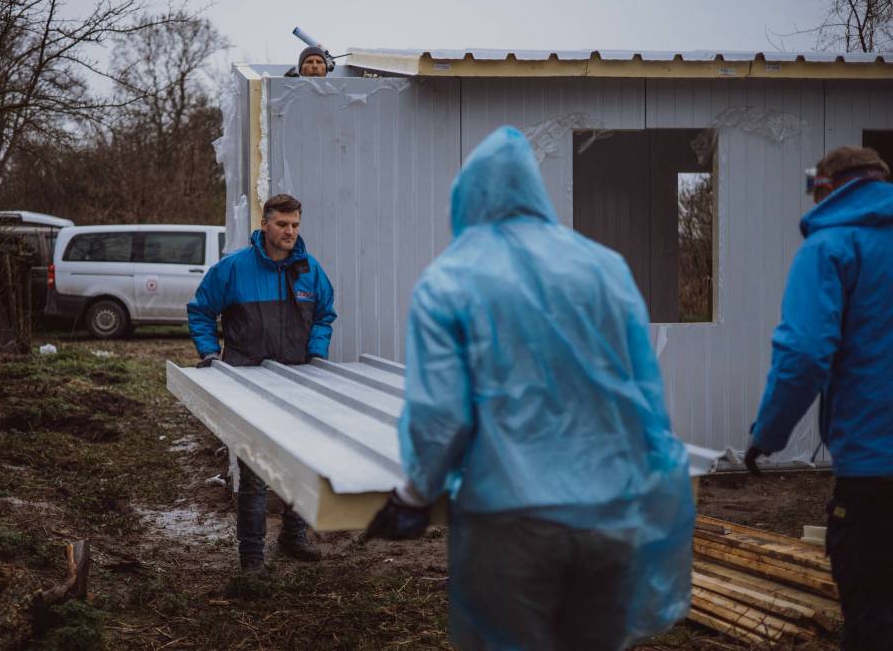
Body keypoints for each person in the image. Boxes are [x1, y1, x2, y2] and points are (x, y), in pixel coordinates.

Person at [365, 126, 694, 650]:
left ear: (469, 198)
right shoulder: (606, 269)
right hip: (612, 514)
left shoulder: (450, 279)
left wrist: (415, 494)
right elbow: (646, 396)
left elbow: (444, 416)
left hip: (510, 523)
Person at [745, 146, 893, 650]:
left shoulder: (830, 249)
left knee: (873, 618)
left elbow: (805, 354)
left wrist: (767, 435)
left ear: (826, 188)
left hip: (875, 475)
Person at [187, 193, 337, 576]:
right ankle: (252, 557)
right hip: (247, 382)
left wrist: (316, 354)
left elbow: (324, 314)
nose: (290, 232)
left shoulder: (308, 270)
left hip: (296, 381)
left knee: (299, 463)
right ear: (265, 225)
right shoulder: (234, 269)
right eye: (283, 224)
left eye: (295, 225)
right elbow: (201, 310)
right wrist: (210, 354)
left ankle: (292, 536)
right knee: (254, 472)